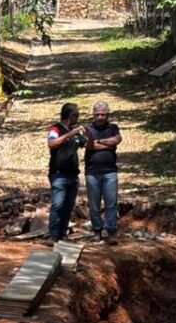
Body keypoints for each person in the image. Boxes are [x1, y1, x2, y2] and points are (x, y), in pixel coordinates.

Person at [46, 102, 87, 244]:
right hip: (59, 174)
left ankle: (63, 234)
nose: (77, 119)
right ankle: (53, 235)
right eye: (77, 116)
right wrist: (70, 134)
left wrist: (88, 133)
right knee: (58, 205)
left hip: (73, 175)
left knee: (68, 207)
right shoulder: (56, 128)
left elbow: (87, 144)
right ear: (71, 116)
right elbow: (51, 143)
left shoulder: (75, 132)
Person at [84, 101, 122, 245]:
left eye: (103, 114)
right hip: (92, 172)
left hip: (110, 172)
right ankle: (97, 231)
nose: (100, 117)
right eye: (97, 114)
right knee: (94, 205)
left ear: (108, 115)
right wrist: (106, 144)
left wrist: (98, 141)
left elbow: (116, 141)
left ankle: (111, 232)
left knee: (111, 203)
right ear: (94, 115)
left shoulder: (113, 128)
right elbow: (88, 146)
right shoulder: (88, 129)